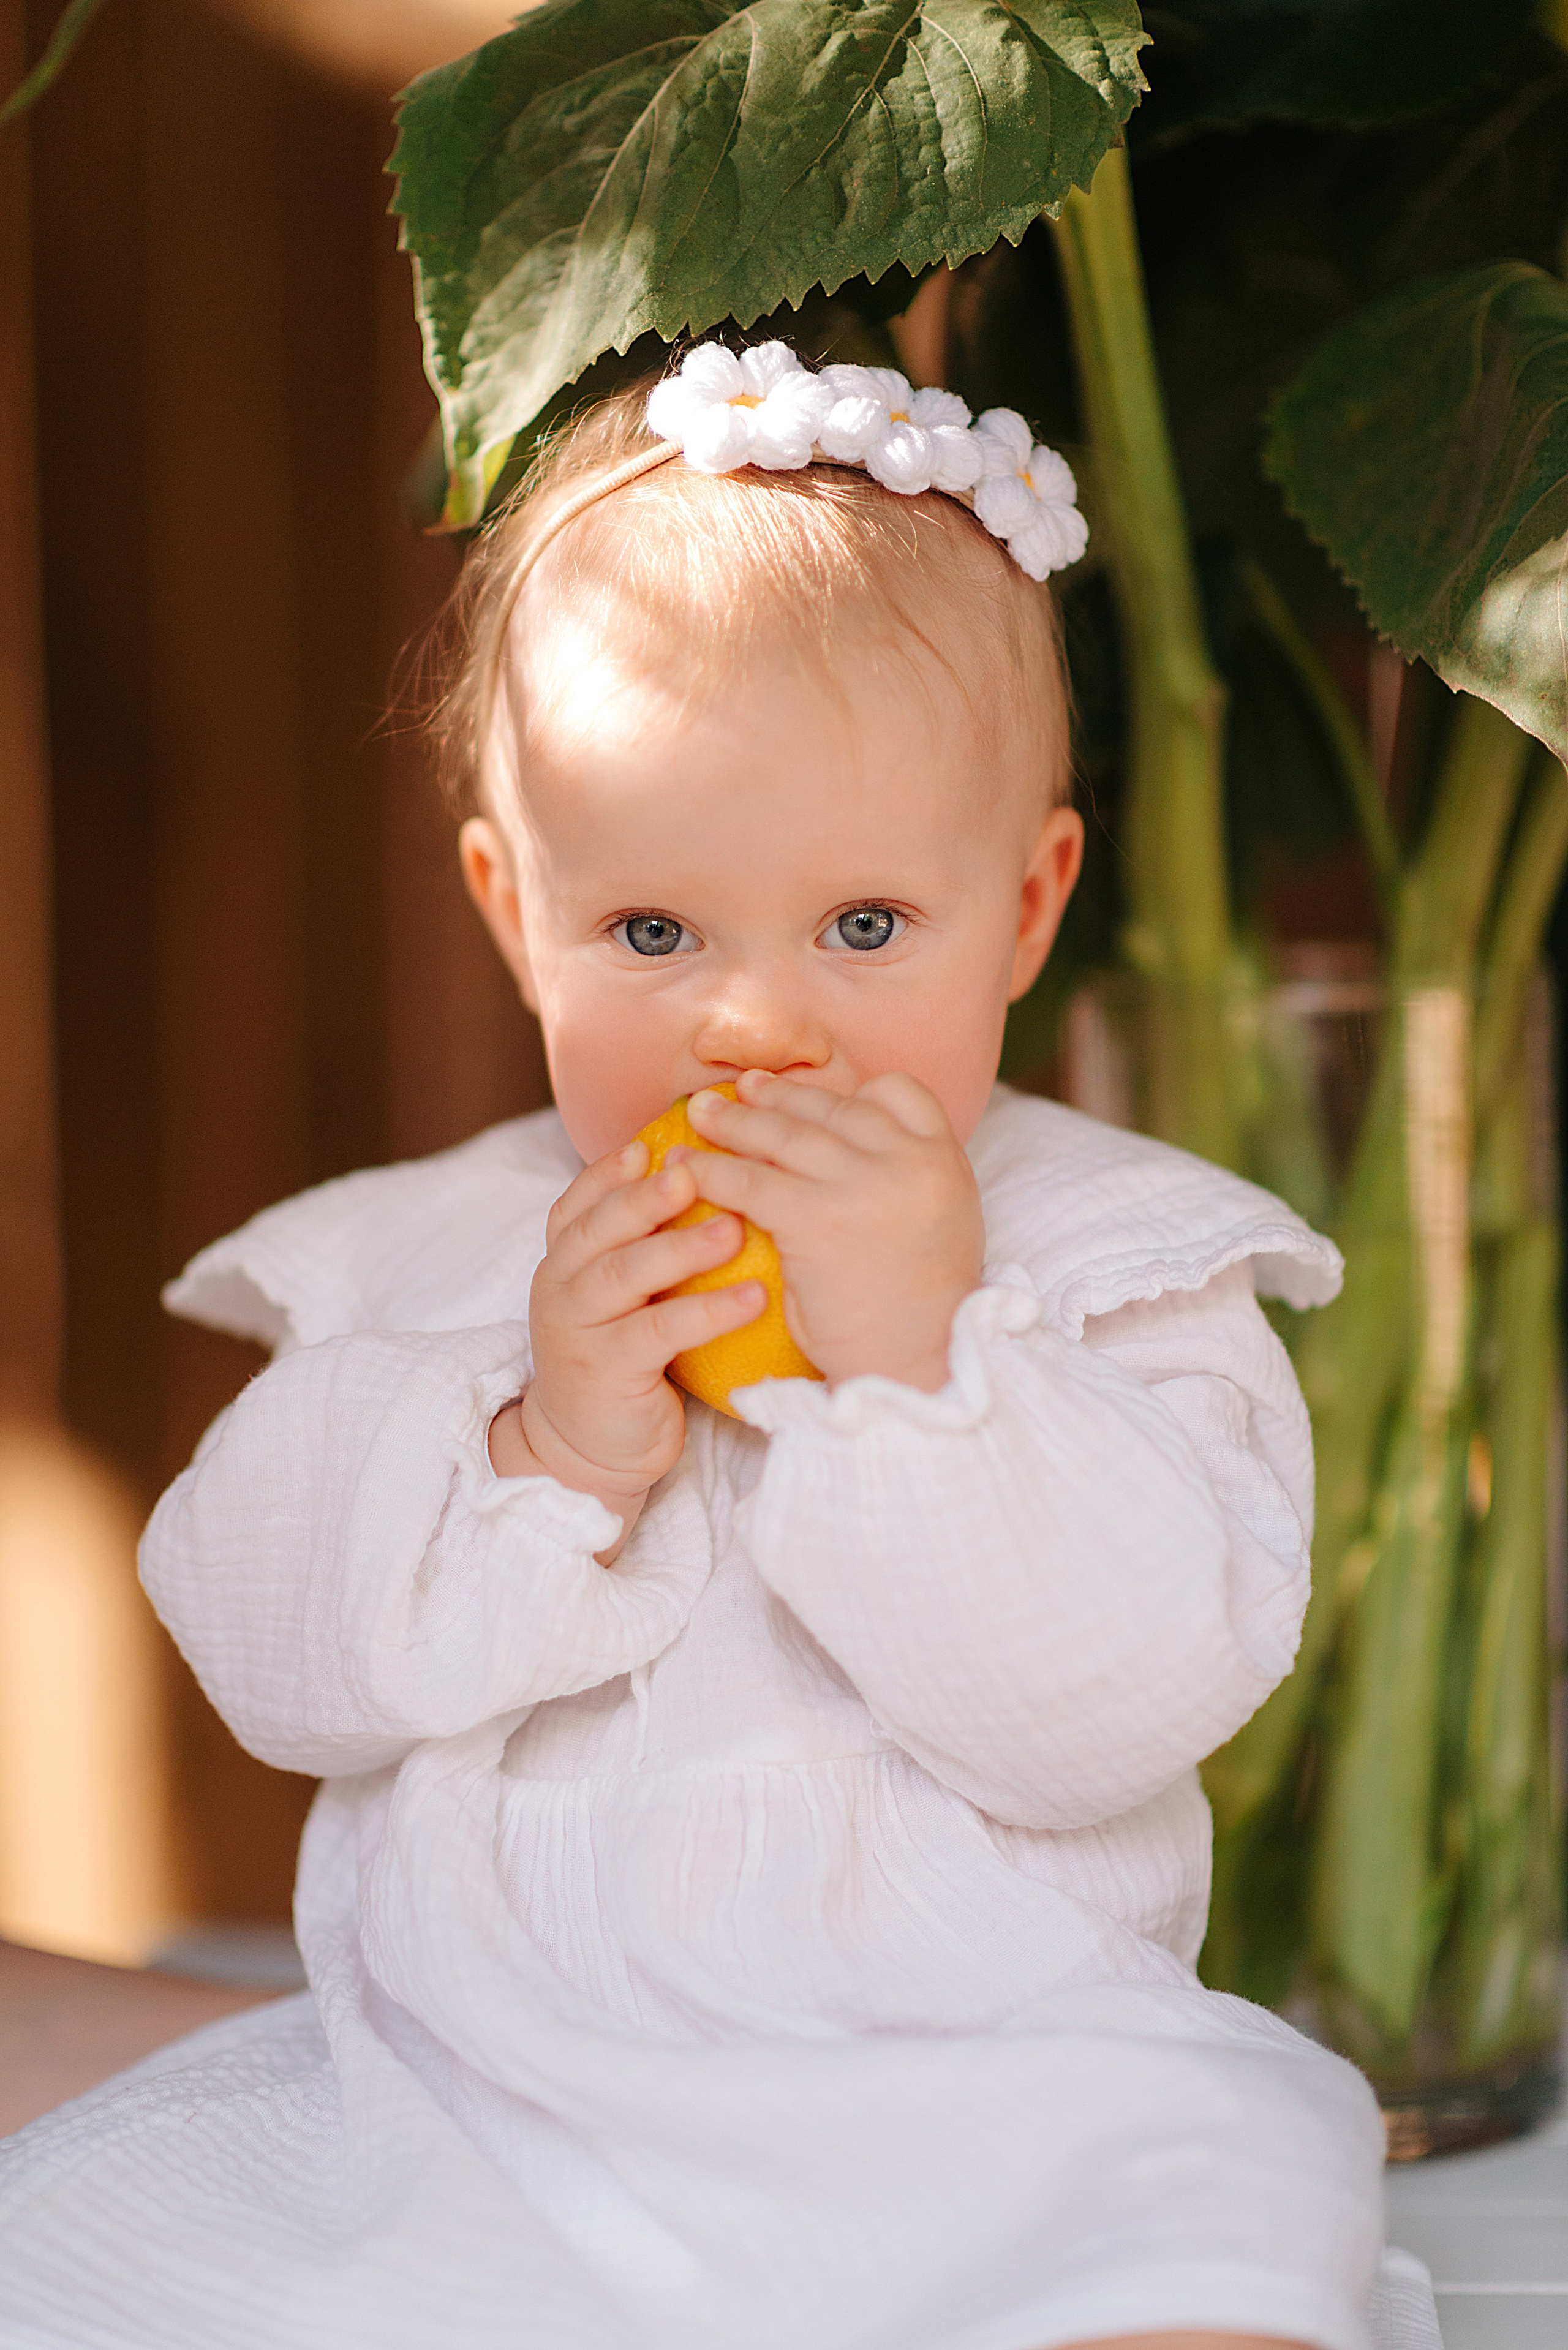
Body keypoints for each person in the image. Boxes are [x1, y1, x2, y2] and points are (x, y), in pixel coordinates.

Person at [0, 344, 1439, 2350]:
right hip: (495, 2087)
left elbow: (1124, 1693)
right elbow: (263, 1644)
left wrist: (923, 1364)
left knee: (1219, 2178)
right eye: (655, 936)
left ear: (1025, 908)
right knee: (122, 2228)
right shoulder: (435, 1258)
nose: (754, 1028)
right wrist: (536, 1447)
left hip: (992, 2072)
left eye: (864, 928)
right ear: (519, 915)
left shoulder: (1113, 1261)